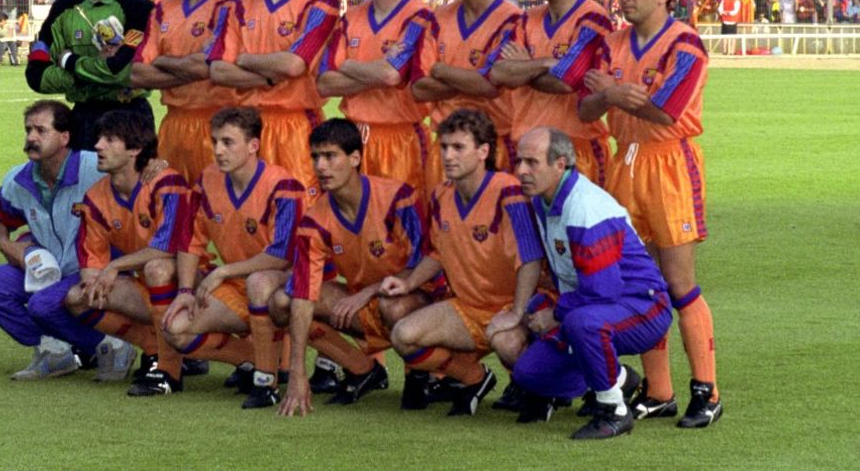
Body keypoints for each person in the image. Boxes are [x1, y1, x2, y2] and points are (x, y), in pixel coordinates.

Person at [579, 0, 722, 429]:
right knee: (641, 284)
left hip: (669, 164)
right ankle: (660, 392)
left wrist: (613, 94)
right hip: (626, 162)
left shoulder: (685, 44)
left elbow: (667, 110)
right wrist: (617, 96)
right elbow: (585, 108)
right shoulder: (612, 43)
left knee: (679, 284)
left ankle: (707, 391)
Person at [504, 127, 672, 439]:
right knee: (529, 374)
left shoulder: (584, 208)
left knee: (583, 324)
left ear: (561, 164)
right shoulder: (543, 199)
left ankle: (614, 410)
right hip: (599, 304)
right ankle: (618, 379)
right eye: (519, 161)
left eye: (531, 163)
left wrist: (556, 314)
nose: (521, 171)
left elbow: (602, 290)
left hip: (644, 306)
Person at [380, 109, 545, 416]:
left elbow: (531, 259)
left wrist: (518, 312)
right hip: (467, 309)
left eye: (458, 147)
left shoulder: (507, 192)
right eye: (444, 147)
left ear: (483, 151)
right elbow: (437, 253)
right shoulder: (441, 194)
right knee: (403, 336)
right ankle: (474, 379)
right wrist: (408, 282)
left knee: (508, 341)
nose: (448, 156)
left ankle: (541, 392)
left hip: (510, 307)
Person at [274, 119, 435, 416]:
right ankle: (362, 368)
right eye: (316, 157)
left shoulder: (397, 198)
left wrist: (370, 292)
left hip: (420, 301)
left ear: (355, 158)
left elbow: (425, 265)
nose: (321, 166)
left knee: (394, 306)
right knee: (283, 302)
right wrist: (297, 373)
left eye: (330, 156)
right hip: (366, 304)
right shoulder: (314, 220)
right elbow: (303, 293)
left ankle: (423, 375)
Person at [0, 101, 131, 381]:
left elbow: (139, 178)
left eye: (41, 130)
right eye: (28, 129)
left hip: (94, 268)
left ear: (64, 137)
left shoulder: (96, 168)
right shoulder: (18, 178)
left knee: (43, 305)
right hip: (48, 270)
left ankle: (110, 344)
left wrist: (156, 165)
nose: (31, 137)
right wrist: (4, 242)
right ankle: (55, 350)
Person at [163, 107, 304, 409]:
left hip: (282, 286)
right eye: (214, 141)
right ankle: (255, 358)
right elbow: (190, 241)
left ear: (253, 145)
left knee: (258, 281)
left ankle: (266, 381)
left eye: (228, 142)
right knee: (177, 330)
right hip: (237, 285)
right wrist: (186, 292)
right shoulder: (207, 180)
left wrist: (222, 272)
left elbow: (281, 256)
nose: (218, 150)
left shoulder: (283, 186)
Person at [206, 0, 340, 190]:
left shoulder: (321, 2)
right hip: (245, 126)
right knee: (250, 215)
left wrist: (243, 59)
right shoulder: (238, 4)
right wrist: (268, 76)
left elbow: (293, 65)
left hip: (297, 126)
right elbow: (218, 69)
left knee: (300, 211)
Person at [66, 109, 193, 394]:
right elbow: (91, 258)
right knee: (79, 298)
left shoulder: (167, 184)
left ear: (135, 149)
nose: (98, 145)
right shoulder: (96, 197)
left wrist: (114, 266)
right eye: (99, 138)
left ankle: (169, 368)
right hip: (149, 286)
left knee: (157, 268)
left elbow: (168, 248)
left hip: (192, 282)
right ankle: (153, 346)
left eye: (110, 140)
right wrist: (93, 281)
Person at [488, 0, 614, 186]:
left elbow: (566, 81)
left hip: (574, 150)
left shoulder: (593, 19)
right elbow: (498, 73)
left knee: (576, 226)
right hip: (526, 148)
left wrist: (523, 69)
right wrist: (546, 63)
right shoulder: (527, 19)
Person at [317, 0, 436, 195]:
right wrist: (376, 71)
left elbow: (390, 75)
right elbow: (324, 83)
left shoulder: (420, 17)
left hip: (401, 140)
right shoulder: (351, 18)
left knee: (402, 225)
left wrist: (347, 65)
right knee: (352, 225)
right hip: (352, 138)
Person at [26, 0, 156, 150]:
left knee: (131, 187)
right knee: (80, 187)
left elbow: (123, 71)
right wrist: (94, 70)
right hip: (82, 119)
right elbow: (35, 75)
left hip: (130, 117)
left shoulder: (139, 7)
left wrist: (68, 61)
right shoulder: (63, 8)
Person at [131, 0, 240, 184]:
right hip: (173, 129)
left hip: (220, 127)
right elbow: (136, 74)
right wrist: (196, 66)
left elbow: (214, 68)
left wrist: (164, 61)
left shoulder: (234, 4)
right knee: (170, 210)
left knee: (217, 214)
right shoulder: (163, 9)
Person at [412, 0, 522, 180]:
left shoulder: (514, 22)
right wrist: (472, 80)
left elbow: (489, 86)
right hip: (445, 148)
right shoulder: (438, 18)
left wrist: (440, 70)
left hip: (495, 148)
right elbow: (418, 88)